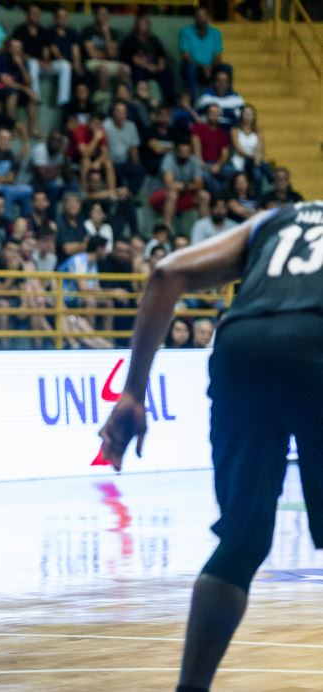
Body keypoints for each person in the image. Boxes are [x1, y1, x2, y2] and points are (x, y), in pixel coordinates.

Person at [98, 201, 323, 692]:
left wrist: (133, 392)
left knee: (241, 543)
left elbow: (165, 273)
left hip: (243, 348)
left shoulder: (276, 219)